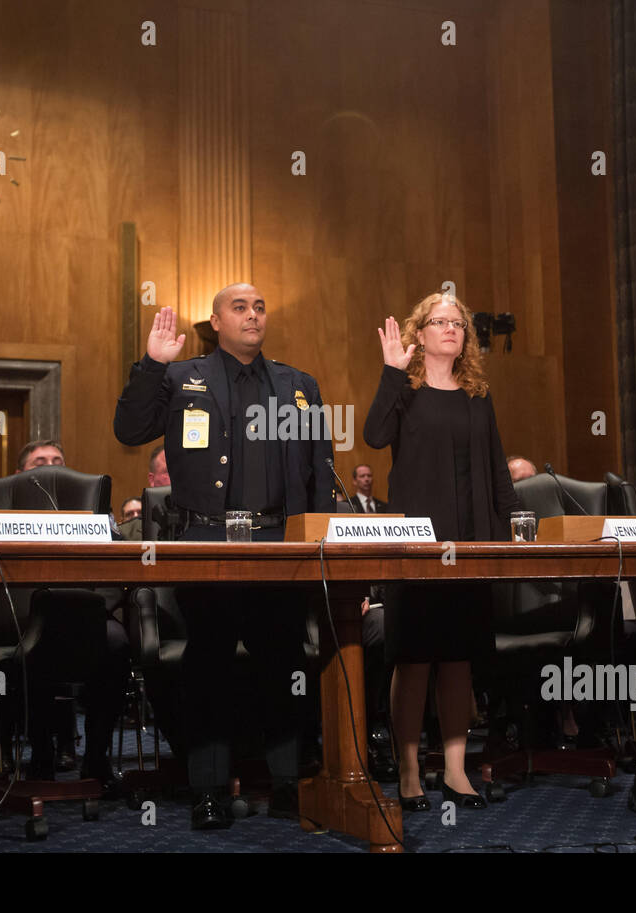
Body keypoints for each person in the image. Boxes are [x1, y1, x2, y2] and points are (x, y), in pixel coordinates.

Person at [114, 284, 335, 829]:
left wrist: (320, 541)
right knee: (208, 662)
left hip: (279, 545)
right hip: (205, 543)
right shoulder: (180, 376)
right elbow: (129, 429)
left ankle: (288, 785)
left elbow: (320, 472)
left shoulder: (298, 386)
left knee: (283, 661)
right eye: (240, 307)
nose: (253, 315)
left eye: (260, 307)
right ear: (215, 321)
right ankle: (207, 790)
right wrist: (149, 365)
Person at [364, 292, 520, 812]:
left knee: (458, 660)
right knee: (413, 659)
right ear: (420, 333)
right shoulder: (404, 390)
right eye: (440, 321)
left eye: (458, 323)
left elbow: (498, 467)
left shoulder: (478, 393)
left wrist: (512, 529)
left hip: (471, 541)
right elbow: (374, 433)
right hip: (415, 543)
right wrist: (390, 372)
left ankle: (455, 771)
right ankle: (409, 772)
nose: (451, 328)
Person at [8, 439, 128, 783]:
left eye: (57, 461)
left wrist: (93, 605)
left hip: (87, 615)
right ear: (20, 475)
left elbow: (117, 568)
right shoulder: (4, 511)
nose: (50, 468)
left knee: (117, 644)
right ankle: (42, 754)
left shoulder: (92, 511)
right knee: (28, 647)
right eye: (40, 462)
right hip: (22, 617)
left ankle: (96, 757)